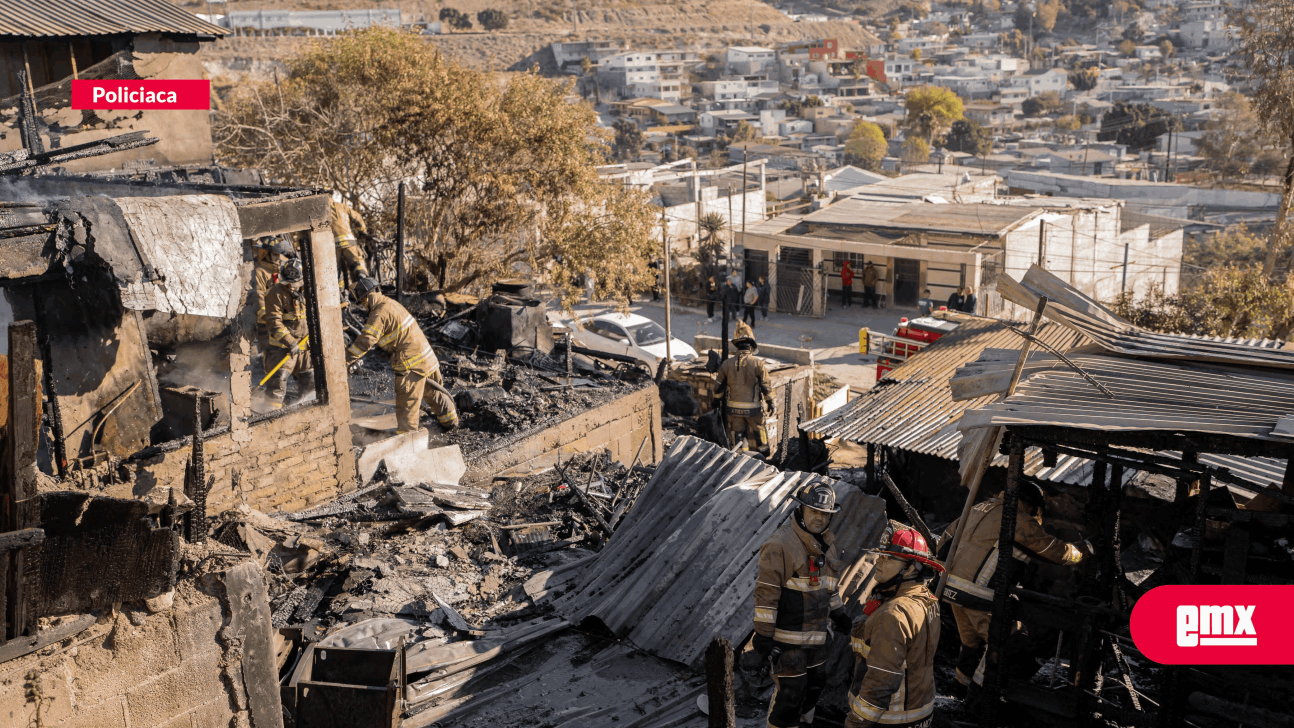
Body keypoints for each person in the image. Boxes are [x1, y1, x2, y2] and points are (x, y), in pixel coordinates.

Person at [938, 483, 1090, 691]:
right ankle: (980, 694)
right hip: (980, 595)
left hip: (951, 588)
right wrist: (1083, 550)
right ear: (1028, 503)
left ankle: (958, 687)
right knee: (1008, 639)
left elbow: (945, 540)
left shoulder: (978, 508)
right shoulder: (1017, 519)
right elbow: (1055, 551)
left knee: (972, 641)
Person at [752, 483, 850, 728]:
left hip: (817, 640)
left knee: (815, 687)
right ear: (801, 510)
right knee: (790, 696)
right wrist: (763, 636)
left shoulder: (827, 545)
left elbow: (829, 586)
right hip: (788, 641)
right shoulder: (781, 545)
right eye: (814, 511)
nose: (819, 518)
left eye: (825, 513)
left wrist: (839, 613)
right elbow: (767, 594)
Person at [844, 523, 943, 728]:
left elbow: (881, 683)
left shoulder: (893, 615)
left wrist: (856, 722)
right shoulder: (927, 599)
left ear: (911, 568)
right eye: (880, 554)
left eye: (889, 557)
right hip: (920, 709)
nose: (879, 560)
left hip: (890, 718)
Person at [346, 277, 459, 433]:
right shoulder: (391, 304)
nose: (364, 305)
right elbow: (397, 335)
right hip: (427, 358)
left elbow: (365, 341)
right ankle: (451, 424)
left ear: (368, 296)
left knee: (407, 408)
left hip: (411, 365)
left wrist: (345, 360)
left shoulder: (379, 313)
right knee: (434, 395)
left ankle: (408, 442)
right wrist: (384, 350)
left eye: (363, 301)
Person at [262, 258, 314, 409]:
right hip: (282, 350)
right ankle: (270, 416)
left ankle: (306, 414)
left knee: (309, 382)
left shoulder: (308, 291)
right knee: (278, 382)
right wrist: (290, 342)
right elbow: (273, 323)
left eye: (295, 283)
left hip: (305, 349)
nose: (292, 287)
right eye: (288, 283)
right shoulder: (275, 293)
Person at [714, 334, 772, 454]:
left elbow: (718, 386)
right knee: (759, 431)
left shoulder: (726, 364)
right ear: (750, 348)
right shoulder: (758, 363)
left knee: (738, 435)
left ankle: (741, 458)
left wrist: (716, 401)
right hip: (753, 409)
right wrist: (770, 402)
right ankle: (765, 456)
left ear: (738, 348)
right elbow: (765, 385)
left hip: (733, 409)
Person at [254, 238, 295, 364]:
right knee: (270, 351)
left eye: (280, 255)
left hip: (282, 319)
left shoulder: (281, 270)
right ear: (266, 253)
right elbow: (259, 298)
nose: (278, 258)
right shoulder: (260, 273)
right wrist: (269, 318)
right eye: (275, 255)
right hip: (266, 323)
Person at [330, 199, 369, 282]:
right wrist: (362, 231)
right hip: (349, 242)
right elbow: (358, 217)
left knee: (336, 271)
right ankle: (364, 284)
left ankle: (341, 292)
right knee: (357, 264)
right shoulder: (342, 206)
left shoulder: (320, 209)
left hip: (333, 246)